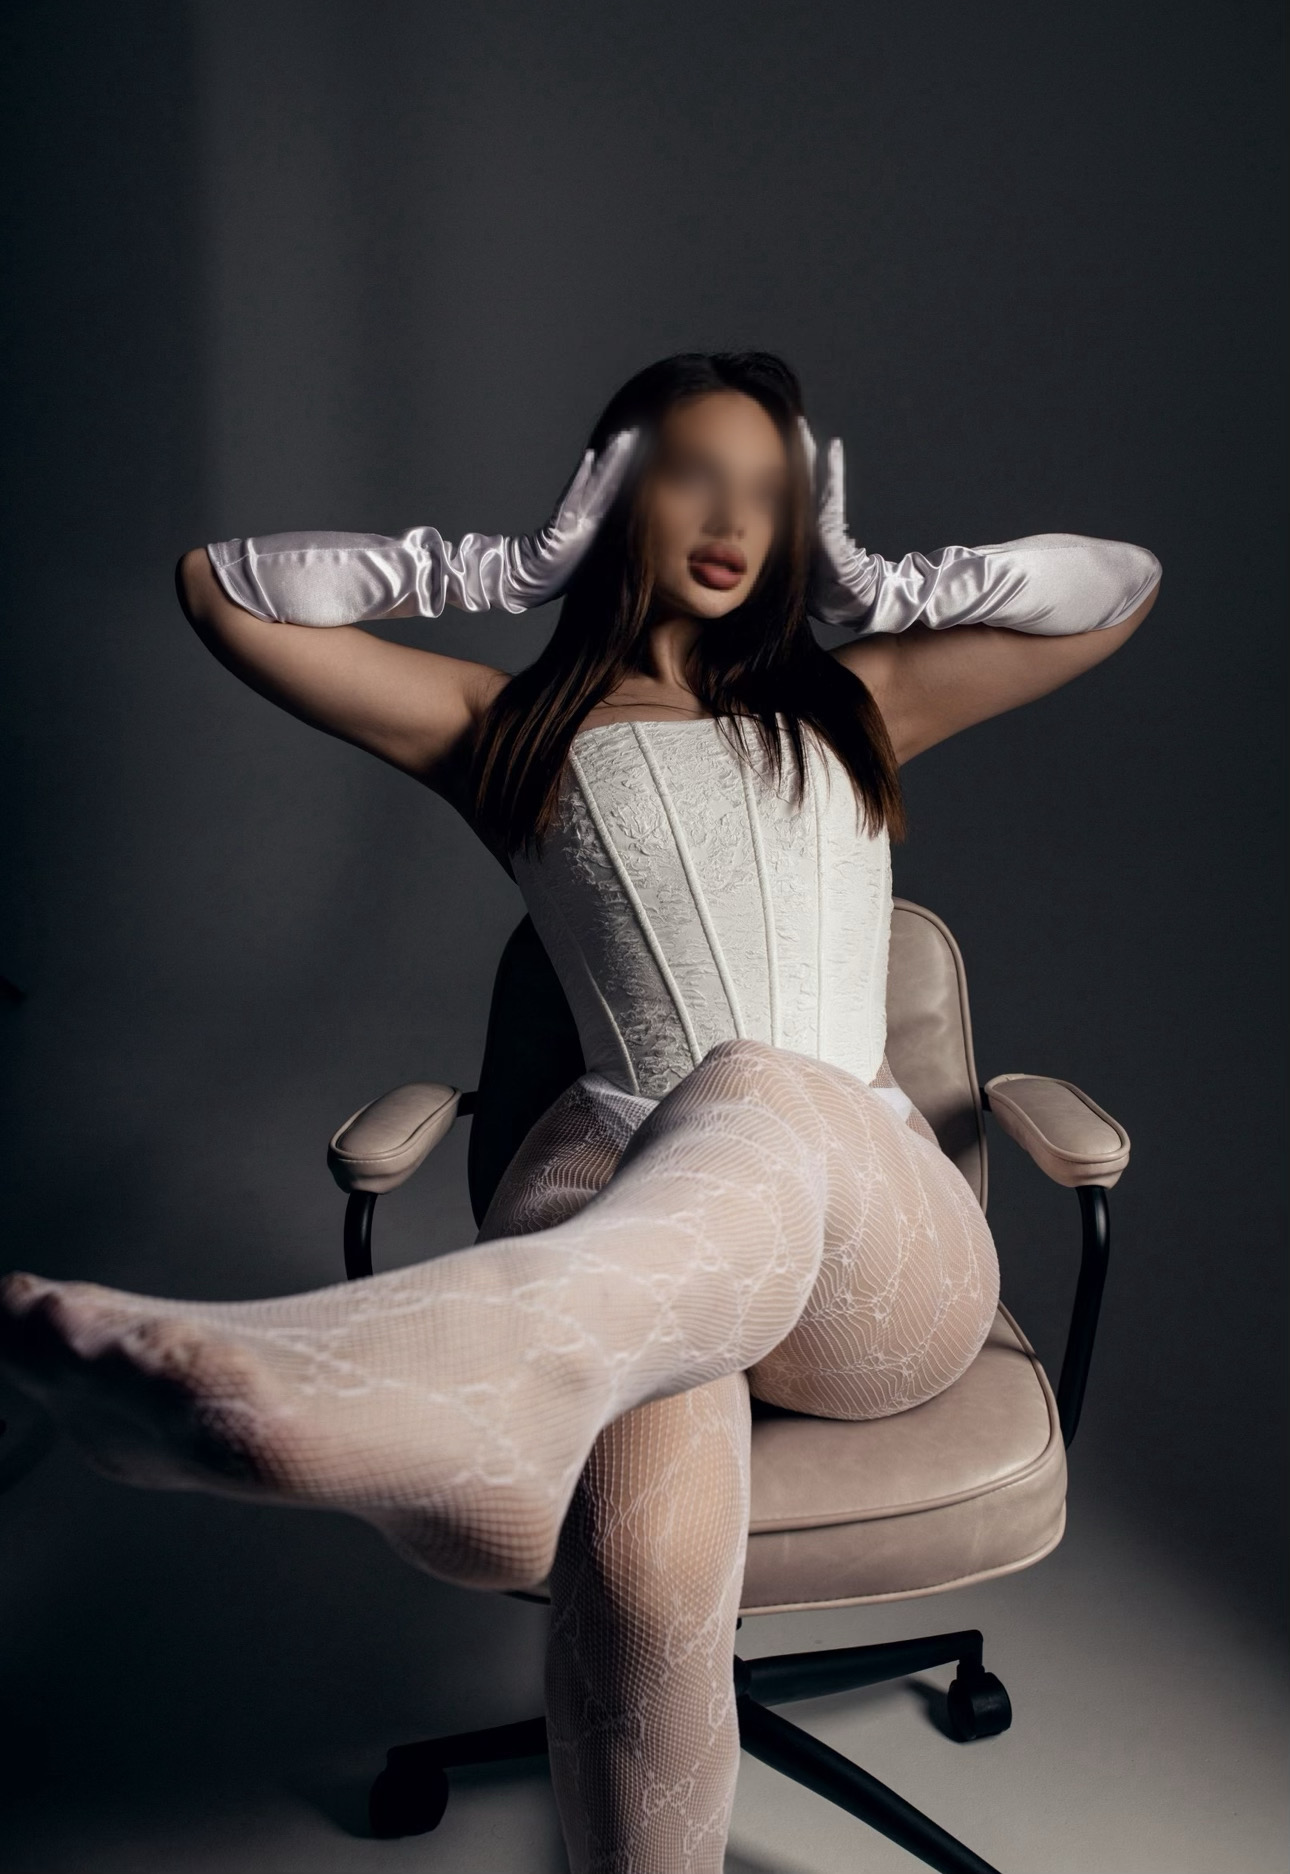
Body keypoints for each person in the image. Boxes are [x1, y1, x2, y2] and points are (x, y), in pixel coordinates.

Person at [0, 350, 1161, 1873]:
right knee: (642, 1582)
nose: (733, 521)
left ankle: (478, 1386)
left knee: (750, 1082)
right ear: (615, 492)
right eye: (691, 477)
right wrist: (497, 567)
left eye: (769, 491)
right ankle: (523, 1402)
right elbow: (222, 591)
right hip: (619, 1218)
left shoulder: (861, 699)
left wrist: (886, 586)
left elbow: (1119, 588)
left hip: (864, 1243)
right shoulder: (509, 727)